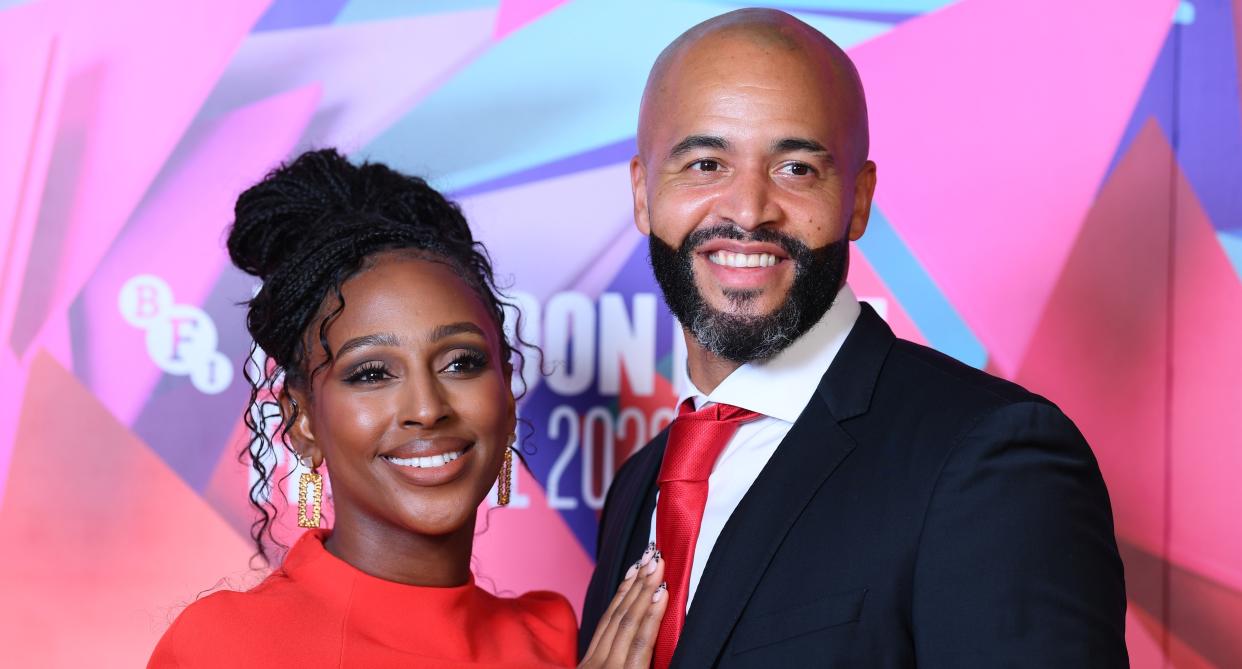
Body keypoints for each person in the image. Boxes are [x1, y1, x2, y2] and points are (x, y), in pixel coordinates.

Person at [580, 9, 1127, 668]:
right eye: (704, 163)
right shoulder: (640, 486)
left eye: (796, 169)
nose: (749, 210)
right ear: (644, 193)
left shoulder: (992, 461)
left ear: (859, 199)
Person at [149, 149, 668, 668]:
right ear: (301, 420)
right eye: (371, 374)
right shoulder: (226, 648)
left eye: (461, 363)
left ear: (507, 393)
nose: (426, 407)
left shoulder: (551, 639)